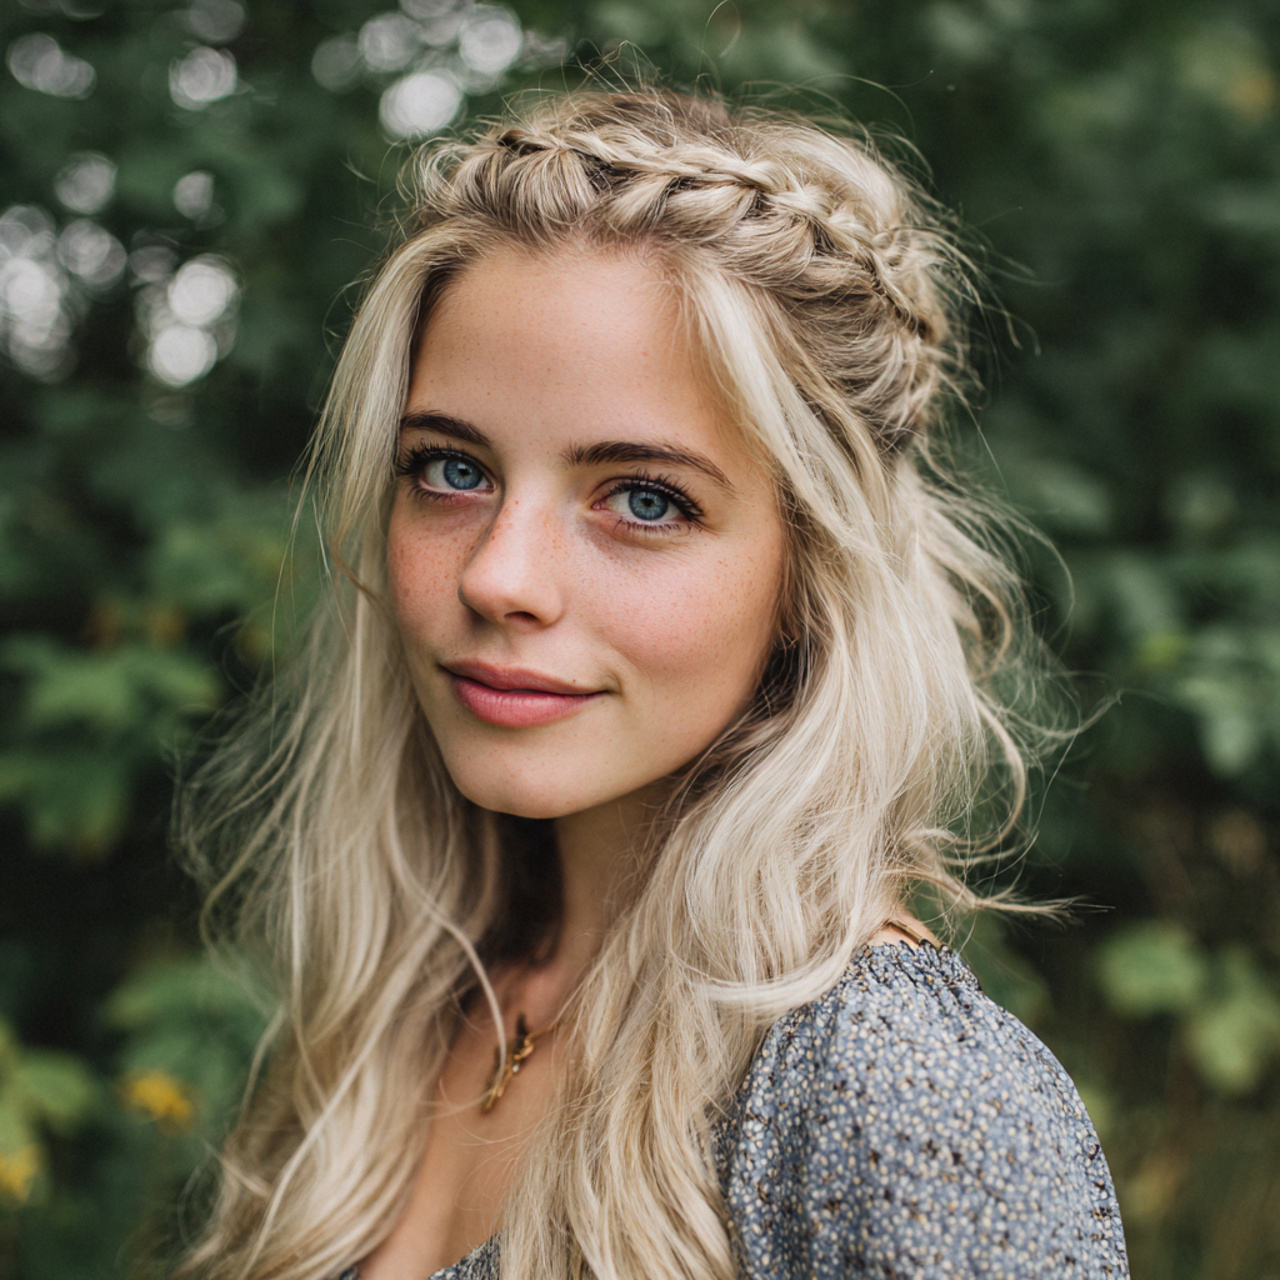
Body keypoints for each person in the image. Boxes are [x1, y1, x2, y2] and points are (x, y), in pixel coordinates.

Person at [178, 88, 1129, 1280]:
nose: (498, 576)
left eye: (643, 497)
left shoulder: (891, 1093)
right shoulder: (412, 997)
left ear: (810, 567)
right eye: (451, 468)